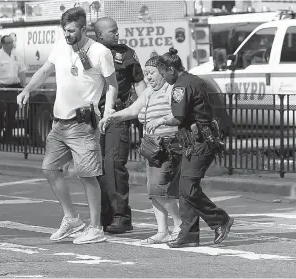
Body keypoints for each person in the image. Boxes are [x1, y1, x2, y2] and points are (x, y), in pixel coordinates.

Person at [16, 7, 119, 245]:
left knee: (88, 175)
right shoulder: (61, 46)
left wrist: (109, 109)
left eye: (72, 30)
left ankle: (95, 228)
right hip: (59, 122)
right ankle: (72, 218)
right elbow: (44, 71)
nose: (67, 34)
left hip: (82, 124)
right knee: (49, 169)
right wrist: (27, 90)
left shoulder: (99, 51)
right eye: (65, 30)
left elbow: (112, 84)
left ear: (84, 29)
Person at [153, 47, 234, 248]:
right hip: (198, 141)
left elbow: (177, 117)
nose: (163, 78)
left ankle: (220, 220)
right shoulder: (195, 79)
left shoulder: (180, 86)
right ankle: (189, 234)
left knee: (187, 189)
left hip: (199, 143)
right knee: (184, 189)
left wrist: (159, 121)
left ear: (171, 69)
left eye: (163, 73)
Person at [100, 56, 183, 244]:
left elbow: (179, 113)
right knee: (152, 191)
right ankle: (163, 230)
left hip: (167, 144)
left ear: (162, 73)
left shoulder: (170, 89)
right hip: (151, 147)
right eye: (146, 74)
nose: (148, 78)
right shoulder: (148, 93)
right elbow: (132, 110)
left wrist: (161, 121)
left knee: (159, 188)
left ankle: (179, 225)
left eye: (152, 73)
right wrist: (112, 117)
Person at [93, 17, 147, 234]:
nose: (117, 33)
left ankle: (120, 217)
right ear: (99, 35)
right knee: (96, 168)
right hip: (94, 117)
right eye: (112, 31)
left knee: (114, 165)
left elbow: (139, 82)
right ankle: (103, 216)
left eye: (117, 30)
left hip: (116, 115)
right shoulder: (90, 52)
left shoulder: (126, 54)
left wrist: (146, 109)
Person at [0, 35, 26, 143]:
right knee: (0, 111)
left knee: (11, 114)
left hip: (13, 88)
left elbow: (22, 72)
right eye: (8, 42)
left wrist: (25, 88)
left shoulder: (17, 55)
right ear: (3, 44)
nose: (11, 44)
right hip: (0, 88)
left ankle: (7, 137)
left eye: (12, 42)